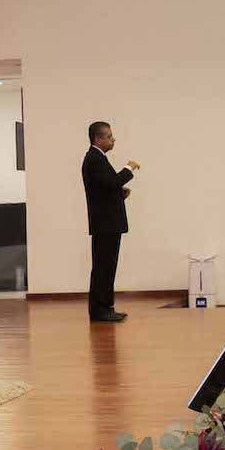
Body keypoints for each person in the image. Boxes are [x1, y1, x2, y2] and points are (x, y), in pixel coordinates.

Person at [82, 121, 139, 323]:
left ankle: (106, 307)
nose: (113, 139)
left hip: (107, 223)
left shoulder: (98, 158)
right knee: (103, 267)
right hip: (105, 224)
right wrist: (129, 168)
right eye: (109, 136)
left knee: (107, 266)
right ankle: (100, 310)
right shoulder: (94, 159)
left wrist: (119, 194)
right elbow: (112, 181)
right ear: (98, 138)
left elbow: (105, 188)